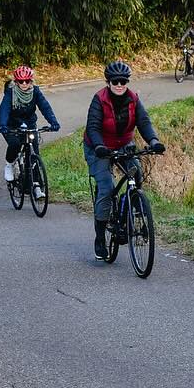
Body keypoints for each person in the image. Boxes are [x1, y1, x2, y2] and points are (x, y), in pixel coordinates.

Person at [82, 61, 165, 260]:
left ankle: (133, 207)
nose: (119, 85)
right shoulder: (99, 100)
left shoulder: (133, 99)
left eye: (123, 81)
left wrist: (153, 141)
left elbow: (143, 122)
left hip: (124, 144)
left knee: (135, 172)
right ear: (108, 82)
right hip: (98, 147)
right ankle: (100, 237)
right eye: (115, 81)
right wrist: (100, 146)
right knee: (106, 187)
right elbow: (93, 127)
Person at [0, 66, 61, 197]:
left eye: (27, 81)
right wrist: (3, 124)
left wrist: (53, 122)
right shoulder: (11, 93)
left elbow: (45, 107)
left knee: (34, 155)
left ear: (31, 80)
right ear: (16, 82)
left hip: (30, 124)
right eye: (21, 82)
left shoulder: (36, 92)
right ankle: (9, 165)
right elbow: (4, 109)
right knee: (15, 144)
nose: (24, 84)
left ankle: (37, 186)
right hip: (12, 125)